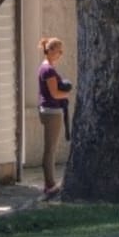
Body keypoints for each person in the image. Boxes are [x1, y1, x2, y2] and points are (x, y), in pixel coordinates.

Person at [37, 36, 72, 196]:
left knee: (50, 149)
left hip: (47, 110)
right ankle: (50, 185)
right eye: (59, 51)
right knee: (50, 150)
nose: (60, 54)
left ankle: (49, 183)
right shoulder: (48, 70)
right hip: (51, 112)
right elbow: (54, 93)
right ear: (50, 51)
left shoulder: (45, 67)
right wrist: (66, 94)